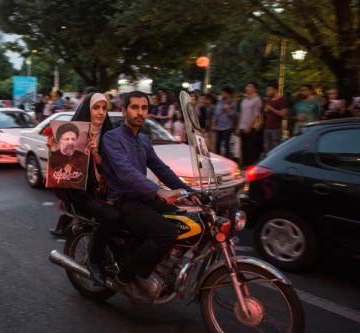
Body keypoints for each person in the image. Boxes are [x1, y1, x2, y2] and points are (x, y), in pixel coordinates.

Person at [101, 90, 197, 301]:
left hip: (145, 197)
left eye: (144, 108)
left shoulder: (143, 139)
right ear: (124, 110)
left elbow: (161, 169)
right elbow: (126, 172)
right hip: (123, 200)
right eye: (135, 107)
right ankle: (125, 277)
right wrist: (159, 191)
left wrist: (190, 193)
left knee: (188, 220)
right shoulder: (112, 138)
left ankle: (164, 267)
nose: (140, 112)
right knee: (166, 232)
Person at [47, 93, 119, 284]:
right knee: (111, 216)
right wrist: (55, 151)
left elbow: (113, 169)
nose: (101, 112)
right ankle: (95, 262)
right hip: (82, 194)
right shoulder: (72, 133)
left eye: (105, 108)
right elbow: (62, 169)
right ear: (87, 109)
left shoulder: (110, 135)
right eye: (96, 108)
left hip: (107, 190)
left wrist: (96, 154)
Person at [238, 82, 262, 167]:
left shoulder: (257, 100)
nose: (247, 88)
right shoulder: (244, 100)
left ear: (254, 89)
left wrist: (249, 127)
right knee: (243, 146)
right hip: (242, 125)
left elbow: (256, 115)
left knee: (250, 147)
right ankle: (244, 164)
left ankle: (250, 165)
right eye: (247, 86)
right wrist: (238, 127)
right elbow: (241, 114)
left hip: (251, 127)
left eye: (250, 86)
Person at [212, 87, 237, 158]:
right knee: (217, 144)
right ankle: (216, 158)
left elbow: (233, 116)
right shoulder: (219, 103)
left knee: (226, 145)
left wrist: (228, 108)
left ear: (228, 94)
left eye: (224, 93)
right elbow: (215, 114)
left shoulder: (232, 104)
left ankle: (227, 159)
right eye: (222, 93)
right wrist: (213, 124)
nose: (222, 95)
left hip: (227, 127)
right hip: (219, 126)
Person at [263, 83, 288, 152]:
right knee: (267, 148)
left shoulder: (281, 100)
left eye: (270, 90)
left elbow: (283, 114)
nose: (268, 91)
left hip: (276, 129)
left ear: (275, 90)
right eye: (267, 90)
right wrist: (266, 110)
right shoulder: (268, 100)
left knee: (275, 149)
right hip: (267, 127)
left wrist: (271, 109)